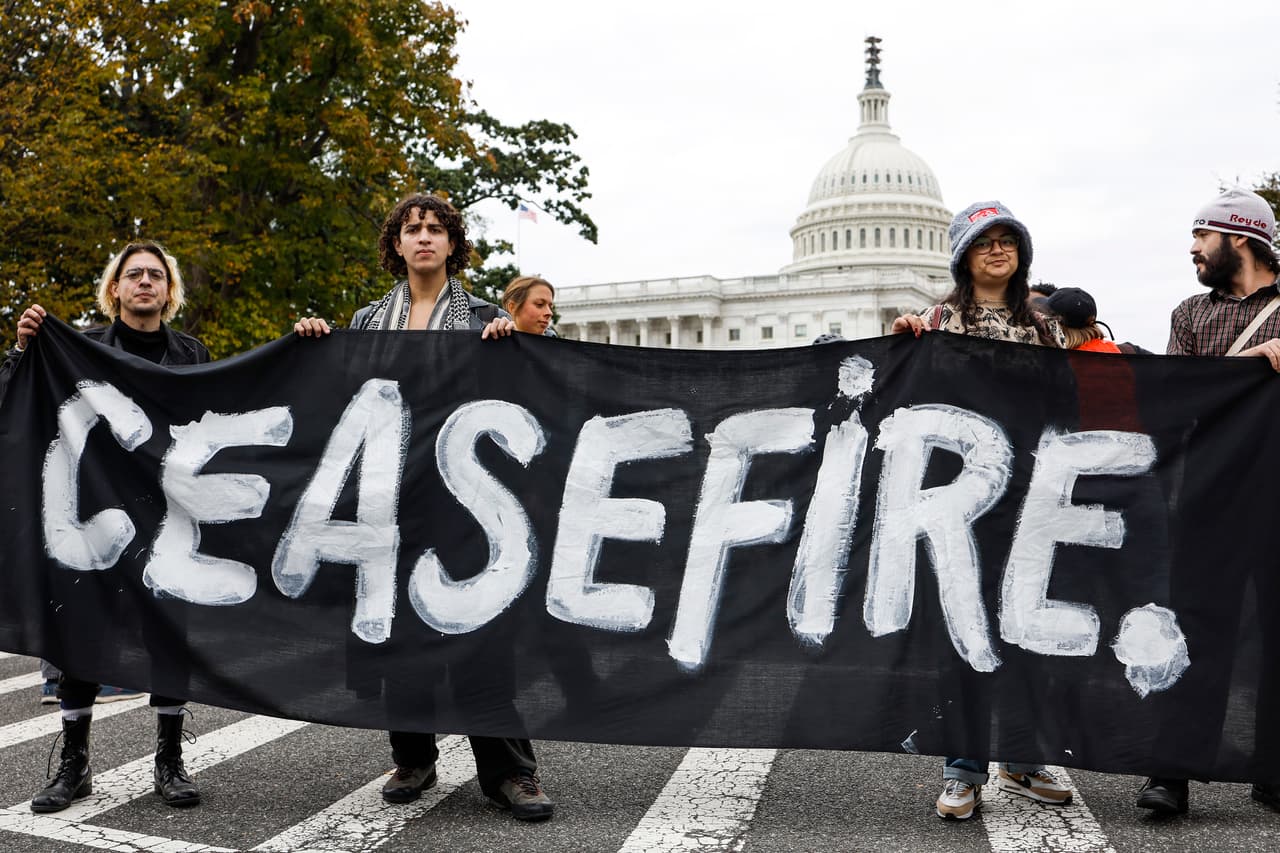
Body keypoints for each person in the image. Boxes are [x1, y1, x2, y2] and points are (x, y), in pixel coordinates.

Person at [294, 192, 553, 821]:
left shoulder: (483, 318)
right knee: (397, 632)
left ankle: (509, 771)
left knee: (480, 631)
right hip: (387, 498)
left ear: (452, 243)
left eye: (436, 229)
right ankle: (413, 757)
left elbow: (520, 402)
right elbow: (338, 396)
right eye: (413, 229)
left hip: (463, 498)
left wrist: (506, 349)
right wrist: (314, 340)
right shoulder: (365, 322)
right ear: (397, 244)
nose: (425, 238)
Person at [893, 201, 1086, 821]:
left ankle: (1025, 758)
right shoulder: (939, 320)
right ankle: (963, 767)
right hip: (963, 499)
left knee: (1026, 627)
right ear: (964, 256)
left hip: (1031, 495)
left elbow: (1066, 404)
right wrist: (901, 342)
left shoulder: (1043, 325)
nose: (997, 251)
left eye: (1007, 241)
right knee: (964, 628)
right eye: (984, 243)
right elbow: (913, 394)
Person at [7, 240, 209, 813]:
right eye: (133, 274)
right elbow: (16, 402)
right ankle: (75, 761)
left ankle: (169, 759)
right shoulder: (76, 348)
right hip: (91, 516)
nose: (145, 282)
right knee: (79, 634)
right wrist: (22, 350)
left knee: (169, 634)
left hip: (167, 519)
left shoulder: (192, 352)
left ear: (169, 291)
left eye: (155, 275)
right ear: (114, 289)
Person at [1136, 186, 1280, 815]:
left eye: (1202, 236)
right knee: (1196, 630)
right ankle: (1173, 771)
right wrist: (1252, 359)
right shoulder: (1192, 315)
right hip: (1209, 493)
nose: (1193, 249)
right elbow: (1177, 397)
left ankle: (1273, 771)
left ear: (1239, 239)